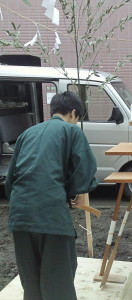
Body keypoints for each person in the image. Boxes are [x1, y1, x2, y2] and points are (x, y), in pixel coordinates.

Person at [6, 91, 99, 300]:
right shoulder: (71, 132)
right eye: (77, 119)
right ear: (74, 113)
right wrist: (73, 193)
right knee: (58, 280)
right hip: (50, 215)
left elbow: (11, 179)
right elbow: (83, 170)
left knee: (31, 282)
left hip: (19, 216)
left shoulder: (26, 134)